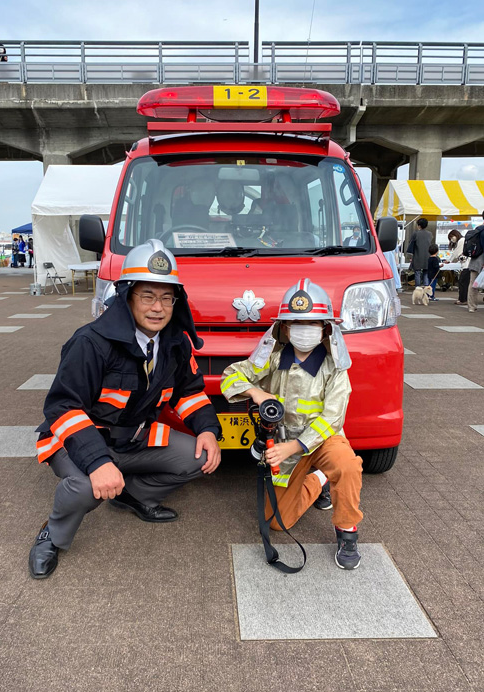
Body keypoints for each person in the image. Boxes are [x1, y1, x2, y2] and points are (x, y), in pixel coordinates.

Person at [29, 239, 221, 579]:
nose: (158, 308)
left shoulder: (175, 342)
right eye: (147, 296)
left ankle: (133, 496)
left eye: (166, 297)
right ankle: (53, 535)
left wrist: (207, 430)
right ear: (127, 295)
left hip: (132, 440)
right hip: (78, 442)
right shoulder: (90, 342)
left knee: (200, 458)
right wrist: (99, 462)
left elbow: (189, 393)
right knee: (87, 488)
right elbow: (63, 407)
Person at [221, 278, 363, 570]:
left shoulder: (335, 367)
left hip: (322, 440)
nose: (304, 329)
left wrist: (294, 447)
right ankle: (319, 480)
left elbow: (332, 418)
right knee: (276, 522)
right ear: (283, 327)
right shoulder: (272, 358)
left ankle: (347, 532)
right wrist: (256, 392)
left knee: (347, 465)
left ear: (325, 328)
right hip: (283, 441)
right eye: (296, 322)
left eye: (311, 323)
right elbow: (231, 376)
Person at [446, 230, 469, 305]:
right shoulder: (464, 240)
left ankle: (463, 299)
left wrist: (449, 260)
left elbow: (456, 253)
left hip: (466, 265)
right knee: (465, 283)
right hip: (467, 265)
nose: (452, 239)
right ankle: (463, 299)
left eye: (451, 237)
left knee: (462, 283)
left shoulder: (461, 241)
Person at [407, 217, 433, 287]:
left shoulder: (415, 234)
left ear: (419, 225)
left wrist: (410, 256)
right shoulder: (430, 234)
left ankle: (418, 289)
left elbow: (411, 244)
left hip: (417, 256)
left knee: (417, 273)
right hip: (427, 257)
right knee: (426, 273)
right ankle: (425, 289)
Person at [467, 212, 484, 314]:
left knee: (473, 283)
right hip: (482, 259)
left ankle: (471, 306)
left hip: (475, 259)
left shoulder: (478, 229)